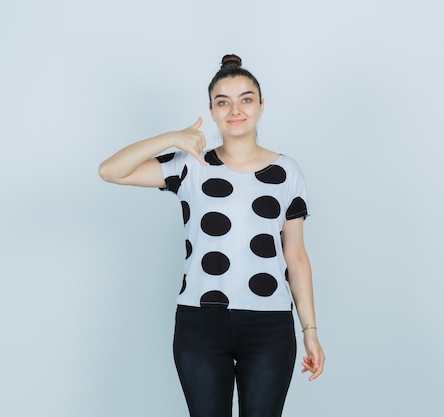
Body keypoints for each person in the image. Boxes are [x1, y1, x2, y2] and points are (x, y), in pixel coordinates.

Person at [98, 54, 324, 417]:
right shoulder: (190, 164)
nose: (235, 109)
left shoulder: (287, 172)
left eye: (246, 99)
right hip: (200, 324)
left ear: (261, 106)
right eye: (224, 102)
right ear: (212, 110)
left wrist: (309, 329)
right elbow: (110, 171)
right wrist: (173, 137)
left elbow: (295, 255)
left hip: (269, 324)